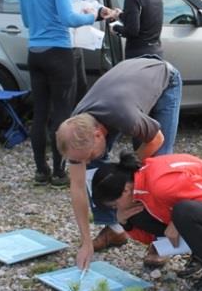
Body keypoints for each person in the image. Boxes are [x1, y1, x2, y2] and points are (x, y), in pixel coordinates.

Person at [55, 56, 182, 269]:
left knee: (157, 167)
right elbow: (77, 187)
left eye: (87, 155)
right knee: (95, 171)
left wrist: (128, 170)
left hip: (163, 77)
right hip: (122, 88)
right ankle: (114, 229)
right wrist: (86, 243)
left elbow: (157, 140)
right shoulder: (77, 129)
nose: (84, 161)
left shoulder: (125, 117)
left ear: (97, 135)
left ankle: (161, 240)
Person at [92, 152, 202, 291]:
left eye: (115, 205)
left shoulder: (159, 184)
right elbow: (153, 239)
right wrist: (125, 223)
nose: (116, 209)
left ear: (126, 190)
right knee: (137, 215)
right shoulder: (141, 188)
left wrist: (176, 222)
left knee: (184, 212)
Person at [19, 0, 96, 186]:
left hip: (35, 52)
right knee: (61, 113)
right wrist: (94, 16)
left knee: (40, 113)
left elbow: (28, 21)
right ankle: (59, 172)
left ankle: (40, 170)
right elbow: (67, 18)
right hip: (59, 51)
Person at [61, 0, 116, 102]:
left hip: (77, 42)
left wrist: (101, 10)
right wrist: (92, 17)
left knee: (80, 90)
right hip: (60, 43)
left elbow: (89, 0)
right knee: (64, 96)